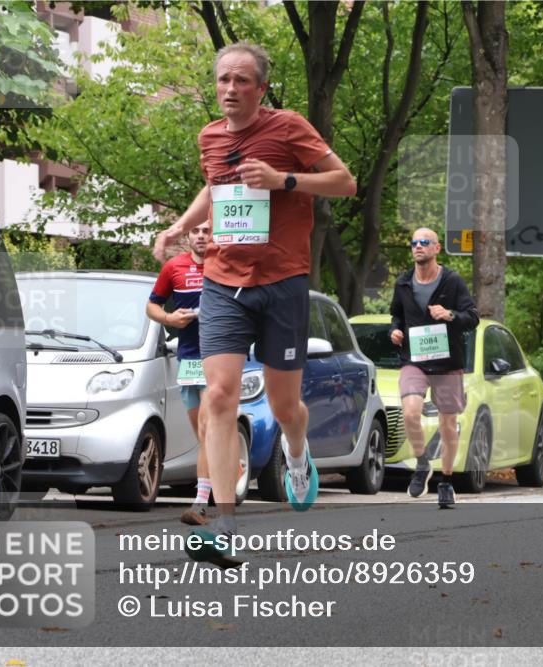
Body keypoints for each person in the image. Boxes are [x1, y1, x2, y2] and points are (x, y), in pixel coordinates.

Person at [153, 43, 355, 566]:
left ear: (261, 88)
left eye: (242, 80)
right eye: (223, 79)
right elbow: (213, 189)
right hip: (223, 282)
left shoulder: (289, 128)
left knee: (285, 406)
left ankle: (296, 453)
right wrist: (178, 226)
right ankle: (224, 524)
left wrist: (284, 180)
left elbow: (345, 182)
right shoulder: (210, 137)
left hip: (283, 281)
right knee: (219, 397)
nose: (230, 88)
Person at [389, 228, 479, 508]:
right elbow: (396, 316)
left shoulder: (452, 281)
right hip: (414, 360)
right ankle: (422, 463)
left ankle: (446, 482)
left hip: (447, 362)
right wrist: (395, 331)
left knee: (448, 425)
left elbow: (472, 317)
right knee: (410, 413)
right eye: (414, 242)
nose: (418, 246)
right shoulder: (403, 283)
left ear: (437, 248)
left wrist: (449, 314)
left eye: (424, 242)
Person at [146, 220, 211, 526]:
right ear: (187, 237)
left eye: (207, 230)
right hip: (188, 359)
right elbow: (152, 306)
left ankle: (200, 502)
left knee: (209, 431)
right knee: (202, 435)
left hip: (218, 358)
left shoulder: (225, 265)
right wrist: (170, 319)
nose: (201, 236)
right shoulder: (174, 267)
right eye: (196, 231)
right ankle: (227, 467)